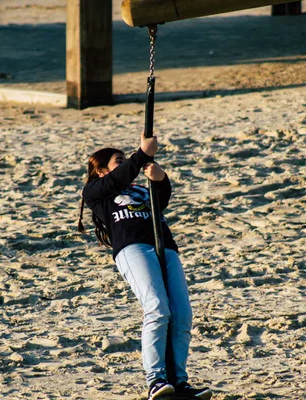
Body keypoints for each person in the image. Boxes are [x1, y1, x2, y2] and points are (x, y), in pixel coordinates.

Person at [78, 133, 212, 400]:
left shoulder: (141, 188)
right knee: (157, 308)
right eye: (120, 161)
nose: (128, 164)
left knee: (182, 314)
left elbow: (160, 202)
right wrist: (141, 155)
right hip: (133, 248)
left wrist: (161, 179)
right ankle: (156, 379)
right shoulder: (96, 192)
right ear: (102, 170)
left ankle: (179, 382)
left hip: (165, 247)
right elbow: (118, 179)